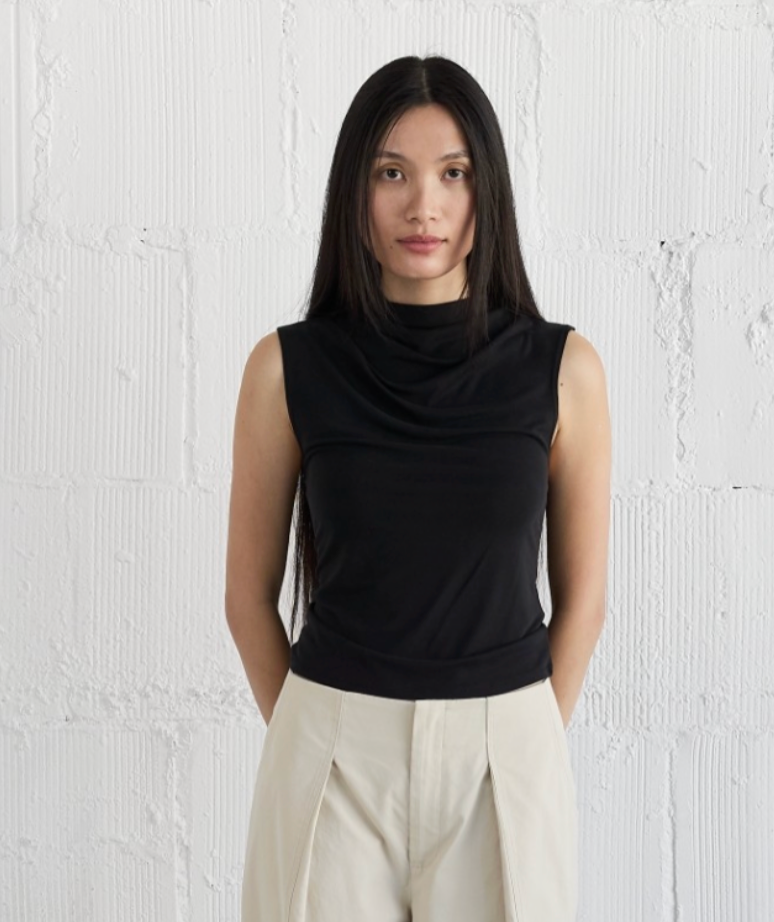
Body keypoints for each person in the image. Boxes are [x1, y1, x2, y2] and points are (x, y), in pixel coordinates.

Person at [225, 54, 611, 922]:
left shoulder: (562, 370)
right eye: (391, 172)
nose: (423, 206)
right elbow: (247, 598)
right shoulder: (286, 368)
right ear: (353, 191)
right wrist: (312, 735)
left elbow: (583, 601)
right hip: (331, 751)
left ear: (488, 191)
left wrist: (522, 740)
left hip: (504, 754)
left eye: (454, 173)